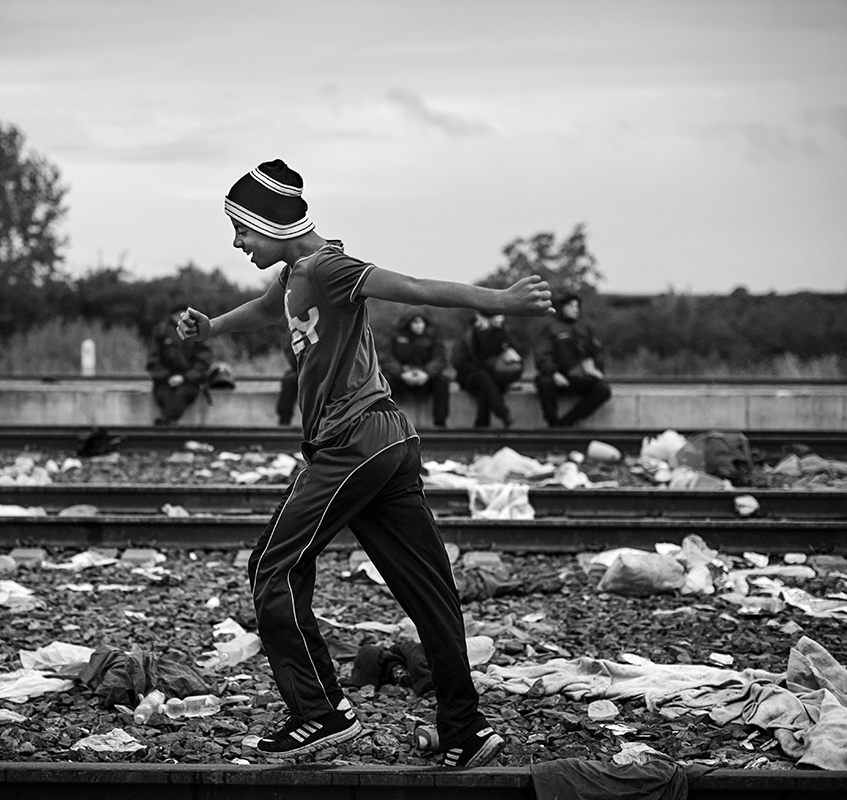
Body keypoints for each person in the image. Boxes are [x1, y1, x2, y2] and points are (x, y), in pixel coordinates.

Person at [178, 159, 552, 767]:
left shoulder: (330, 267)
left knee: (272, 566)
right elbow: (269, 310)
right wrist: (211, 327)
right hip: (387, 443)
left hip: (354, 439)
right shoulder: (294, 276)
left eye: (242, 229)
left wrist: (503, 302)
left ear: (270, 224)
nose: (238, 243)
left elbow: (415, 288)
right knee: (429, 588)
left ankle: (321, 712)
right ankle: (465, 729)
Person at [533, 290, 612, 428]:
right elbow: (541, 354)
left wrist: (597, 368)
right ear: (562, 308)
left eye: (576, 306)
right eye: (570, 306)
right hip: (557, 375)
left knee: (603, 390)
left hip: (578, 375)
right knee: (544, 383)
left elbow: (596, 350)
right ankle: (552, 423)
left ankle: (567, 423)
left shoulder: (584, 326)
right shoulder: (552, 328)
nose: (575, 309)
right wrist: (553, 373)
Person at [450, 312, 523, 428]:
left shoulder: (503, 332)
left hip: (494, 376)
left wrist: (511, 353)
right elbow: (457, 360)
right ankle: (502, 413)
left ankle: (482, 424)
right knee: (483, 377)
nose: (501, 319)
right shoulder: (470, 332)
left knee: (486, 384)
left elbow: (518, 354)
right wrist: (481, 334)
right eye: (497, 316)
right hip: (470, 376)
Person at [379, 310, 450, 428]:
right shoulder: (395, 334)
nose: (419, 325)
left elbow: (439, 358)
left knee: (442, 381)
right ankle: (387, 424)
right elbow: (386, 357)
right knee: (385, 381)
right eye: (415, 322)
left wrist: (426, 373)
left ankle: (440, 424)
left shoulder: (433, 335)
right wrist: (401, 373)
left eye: (421, 322)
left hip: (425, 379)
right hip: (401, 379)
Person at [146, 302, 211, 426]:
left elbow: (203, 361)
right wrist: (167, 376)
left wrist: (184, 377)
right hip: (164, 380)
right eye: (177, 315)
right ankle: (167, 424)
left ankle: (165, 423)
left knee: (181, 394)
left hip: (189, 381)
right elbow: (153, 360)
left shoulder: (197, 331)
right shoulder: (161, 330)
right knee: (165, 395)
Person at [275, 337, 298, 426]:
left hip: (320, 370)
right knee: (289, 380)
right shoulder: (293, 335)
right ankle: (284, 418)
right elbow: (292, 359)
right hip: (301, 370)